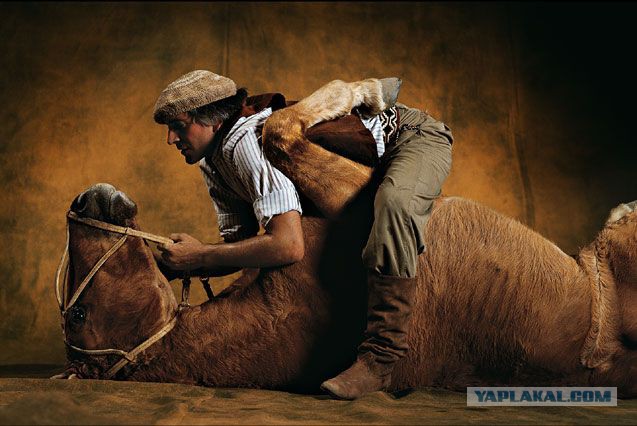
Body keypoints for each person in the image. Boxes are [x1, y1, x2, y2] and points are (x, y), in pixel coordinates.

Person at [153, 70, 453, 400]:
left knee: (396, 203)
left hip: (409, 136)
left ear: (212, 120)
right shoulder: (213, 161)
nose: (170, 139)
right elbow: (240, 248)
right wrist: (179, 265)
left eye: (179, 125)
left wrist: (200, 256)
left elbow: (287, 245)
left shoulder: (242, 144)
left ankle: (381, 359)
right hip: (371, 158)